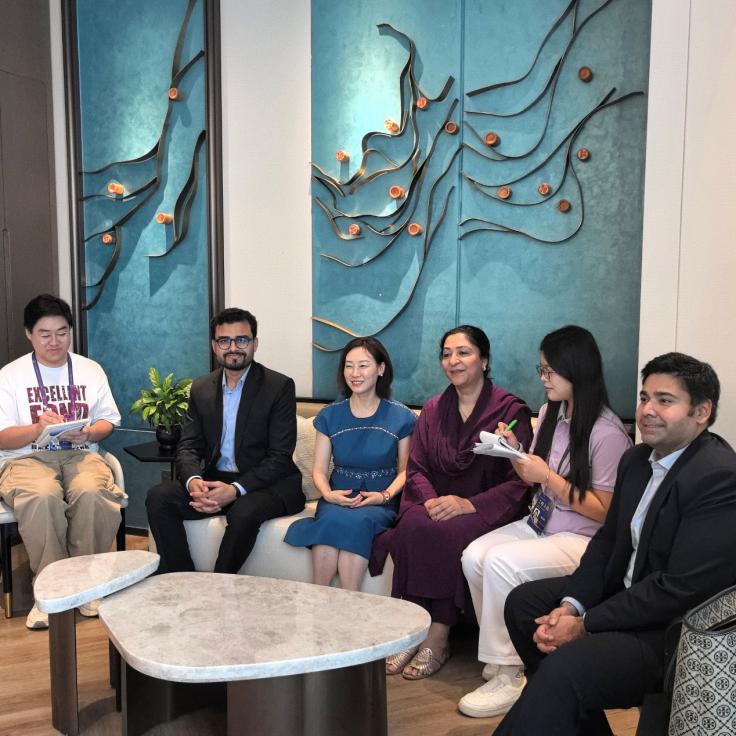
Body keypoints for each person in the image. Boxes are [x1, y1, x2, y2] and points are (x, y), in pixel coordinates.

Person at [494, 352, 736, 736]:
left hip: (668, 630)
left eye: (665, 400)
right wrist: (570, 606)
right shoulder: (637, 460)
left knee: (564, 669)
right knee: (525, 606)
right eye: (644, 397)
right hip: (624, 594)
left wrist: (585, 624)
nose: (647, 410)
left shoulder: (717, 477)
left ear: (701, 412)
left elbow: (679, 589)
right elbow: (607, 542)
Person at [458, 325, 632, 718]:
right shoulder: (552, 412)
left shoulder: (607, 434)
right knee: (473, 556)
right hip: (541, 523)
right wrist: (514, 450)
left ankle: (509, 673)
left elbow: (605, 510)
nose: (544, 378)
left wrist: (548, 477)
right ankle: (506, 654)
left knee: (500, 563)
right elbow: (533, 474)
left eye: (550, 371)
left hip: (581, 538)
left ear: (577, 369)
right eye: (542, 370)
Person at [370, 325, 533, 679]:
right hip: (436, 501)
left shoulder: (510, 411)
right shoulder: (432, 410)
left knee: (449, 533)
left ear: (484, 360)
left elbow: (519, 480)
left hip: (485, 507)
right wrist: (431, 502)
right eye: (446, 354)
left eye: (463, 352)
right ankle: (413, 629)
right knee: (412, 525)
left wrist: (466, 505)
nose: (453, 361)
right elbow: (417, 468)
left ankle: (438, 636)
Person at [146, 308, 304, 574]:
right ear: (214, 345)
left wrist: (234, 490)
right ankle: (182, 579)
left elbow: (279, 456)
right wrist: (194, 482)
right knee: (159, 497)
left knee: (244, 511)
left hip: (267, 485)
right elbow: (188, 446)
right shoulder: (200, 388)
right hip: (216, 479)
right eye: (224, 341)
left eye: (241, 340)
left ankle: (218, 585)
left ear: (255, 343)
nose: (233, 348)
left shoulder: (279, 386)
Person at [0, 294, 124, 629]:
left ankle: (87, 585)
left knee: (92, 492)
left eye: (62, 332)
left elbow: (109, 421)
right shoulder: (10, 376)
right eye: (45, 334)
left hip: (80, 454)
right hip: (26, 457)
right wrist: (36, 428)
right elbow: (2, 437)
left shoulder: (90, 370)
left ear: (70, 331)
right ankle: (50, 590)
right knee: (42, 496)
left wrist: (90, 433)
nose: (54, 341)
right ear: (29, 334)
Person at [284, 337, 416, 590]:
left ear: (380, 369)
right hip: (338, 496)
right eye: (349, 366)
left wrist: (384, 496)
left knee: (356, 523)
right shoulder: (330, 415)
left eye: (363, 365)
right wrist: (328, 495)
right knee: (331, 522)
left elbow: (405, 470)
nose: (355, 374)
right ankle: (319, 598)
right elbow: (319, 470)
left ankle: (350, 601)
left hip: (380, 499)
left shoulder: (401, 416)